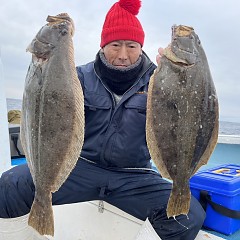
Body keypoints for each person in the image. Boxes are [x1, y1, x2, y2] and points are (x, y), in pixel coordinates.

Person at [0, 0, 206, 239]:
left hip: (135, 176)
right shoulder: (78, 77)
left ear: (141, 46)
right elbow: (46, 106)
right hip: (79, 168)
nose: (122, 55)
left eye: (131, 46)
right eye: (115, 45)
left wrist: (173, 82)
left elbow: (186, 117)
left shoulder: (158, 81)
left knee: (189, 215)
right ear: (103, 45)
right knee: (11, 183)